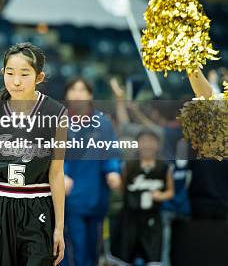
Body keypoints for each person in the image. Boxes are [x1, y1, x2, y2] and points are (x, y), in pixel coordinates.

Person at [0, 42, 67, 266]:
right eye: (10, 73)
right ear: (2, 73)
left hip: (38, 205)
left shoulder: (56, 113)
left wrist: (59, 228)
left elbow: (56, 174)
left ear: (39, 77)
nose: (16, 81)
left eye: (25, 74)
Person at [62, 77, 122, 266]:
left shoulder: (102, 123)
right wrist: (61, 174)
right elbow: (54, 154)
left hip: (97, 194)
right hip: (71, 195)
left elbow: (111, 151)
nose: (77, 94)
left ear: (90, 95)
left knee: (95, 249)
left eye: (82, 90)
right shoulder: (59, 122)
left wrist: (113, 171)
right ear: (67, 95)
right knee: (74, 249)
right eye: (73, 90)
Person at [110, 129, 174, 265]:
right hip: (129, 219)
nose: (147, 145)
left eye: (151, 141)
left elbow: (170, 191)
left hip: (152, 219)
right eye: (143, 141)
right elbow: (121, 189)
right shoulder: (128, 166)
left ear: (158, 145)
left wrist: (160, 195)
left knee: (153, 259)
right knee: (124, 258)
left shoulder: (164, 167)